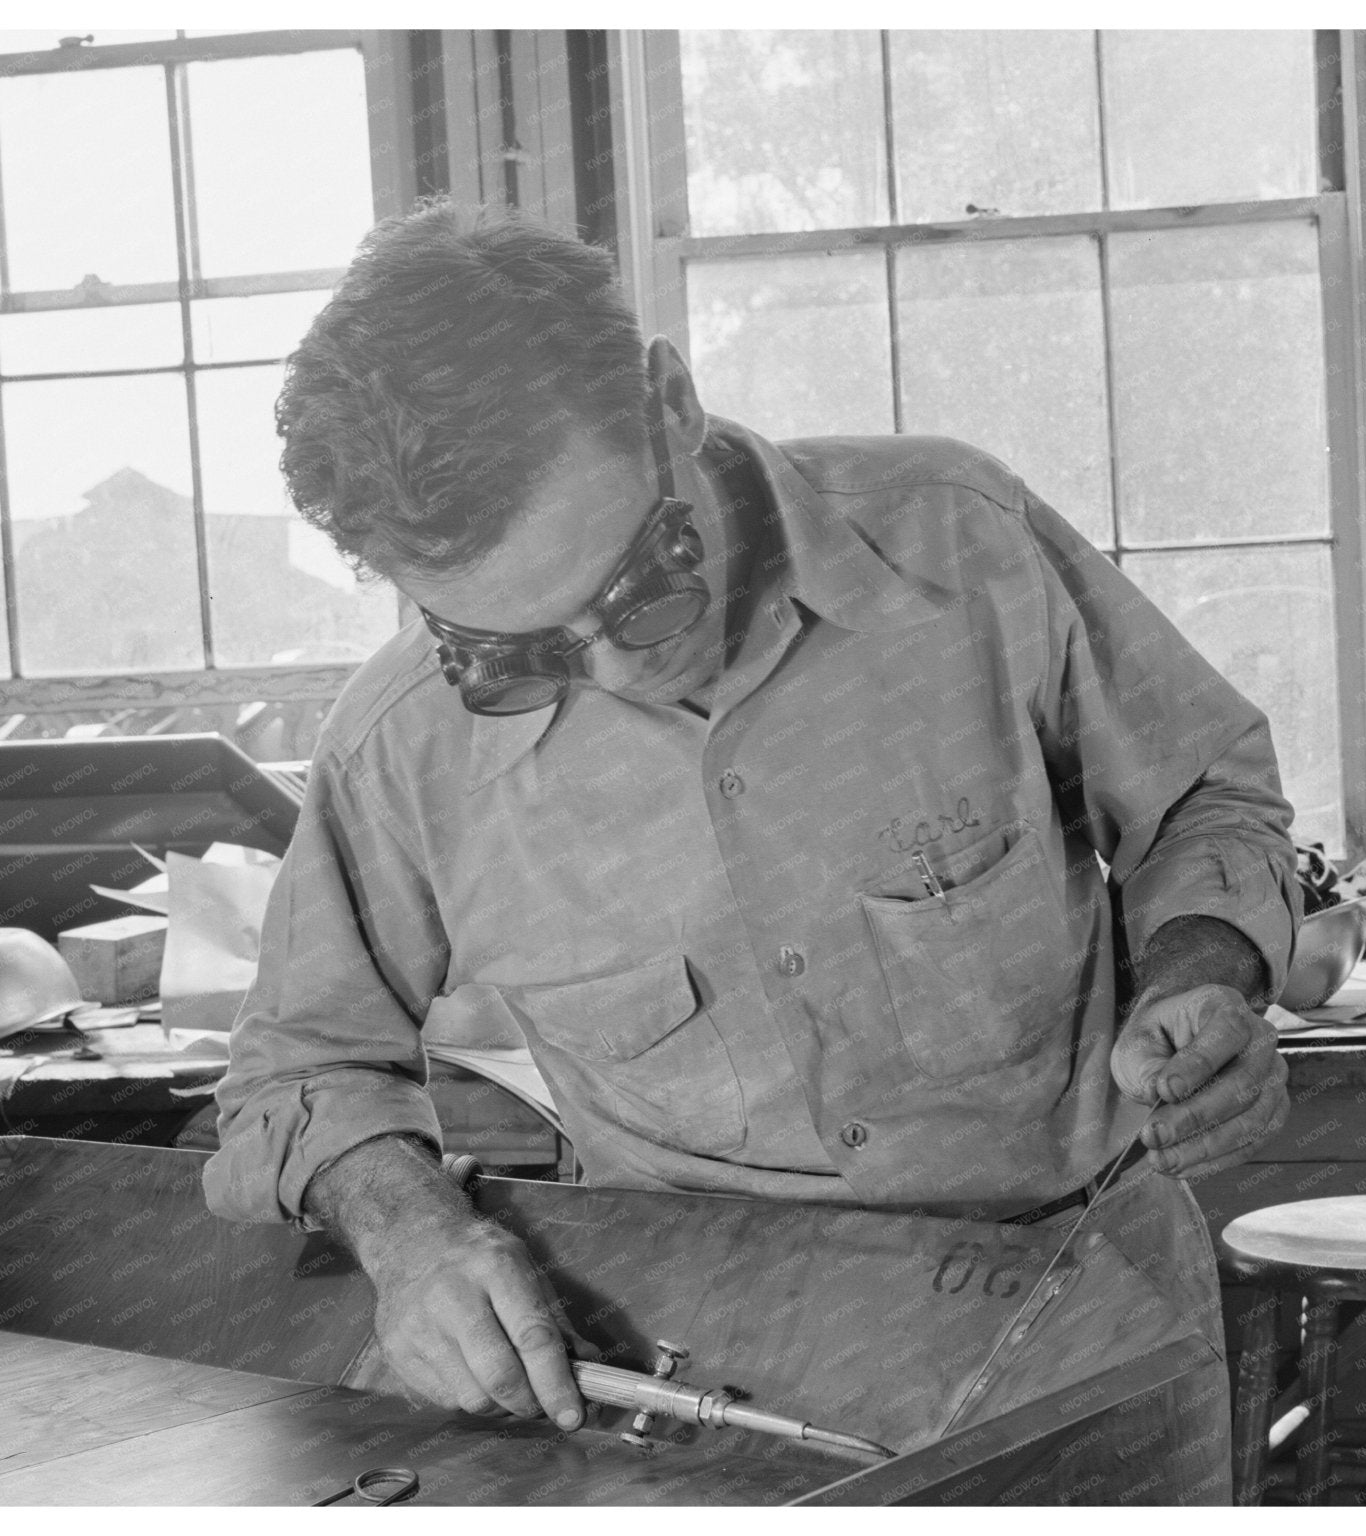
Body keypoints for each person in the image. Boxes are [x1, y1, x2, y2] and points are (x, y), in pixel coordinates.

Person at [204, 200, 1298, 1449]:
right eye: (511, 655)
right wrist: (412, 1236)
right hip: (695, 1356)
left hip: (1082, 1292)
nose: (615, 676)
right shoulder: (399, 746)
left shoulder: (956, 540)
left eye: (639, 585)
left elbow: (1202, 787)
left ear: (671, 404)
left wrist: (1203, 972)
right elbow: (298, 1064)